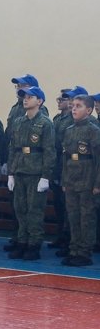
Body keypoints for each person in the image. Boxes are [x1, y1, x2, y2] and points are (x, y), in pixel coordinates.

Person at [6, 86, 55, 260]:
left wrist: (45, 176)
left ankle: (34, 245)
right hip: (20, 170)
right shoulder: (19, 122)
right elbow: (13, 148)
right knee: (20, 209)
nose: (25, 99)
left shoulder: (45, 123)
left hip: (36, 172)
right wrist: (11, 173)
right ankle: (22, 242)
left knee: (34, 211)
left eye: (30, 97)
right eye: (24, 97)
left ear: (39, 101)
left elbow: (49, 151)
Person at [60, 95, 100, 266]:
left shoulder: (94, 131)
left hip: (87, 180)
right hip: (71, 179)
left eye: (79, 106)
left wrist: (97, 184)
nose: (74, 108)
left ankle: (84, 252)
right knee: (73, 216)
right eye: (73, 105)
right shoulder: (68, 130)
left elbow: (98, 160)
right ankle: (74, 249)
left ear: (89, 110)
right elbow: (65, 158)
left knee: (86, 217)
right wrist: (64, 180)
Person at [50, 88, 75, 253]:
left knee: (69, 208)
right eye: (58, 99)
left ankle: (69, 240)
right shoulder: (57, 119)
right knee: (59, 205)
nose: (59, 101)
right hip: (57, 165)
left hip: (70, 165)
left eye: (63, 99)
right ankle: (61, 236)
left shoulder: (74, 120)